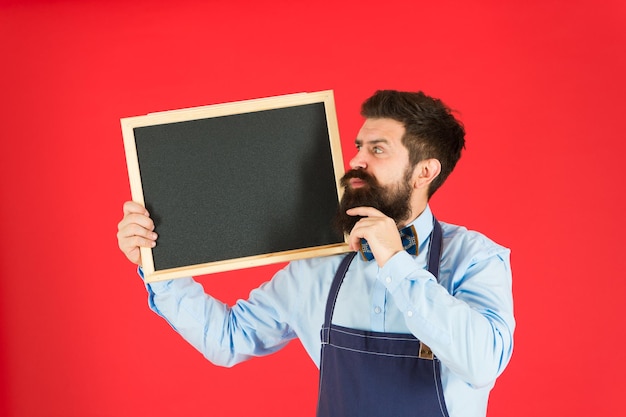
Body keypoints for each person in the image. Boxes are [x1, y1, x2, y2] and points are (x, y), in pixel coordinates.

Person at [117, 90, 515, 417]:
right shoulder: (321, 261)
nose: (356, 160)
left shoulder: (475, 259)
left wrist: (395, 263)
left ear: (424, 172)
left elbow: (481, 365)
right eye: (359, 147)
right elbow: (229, 340)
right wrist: (158, 262)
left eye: (378, 150)